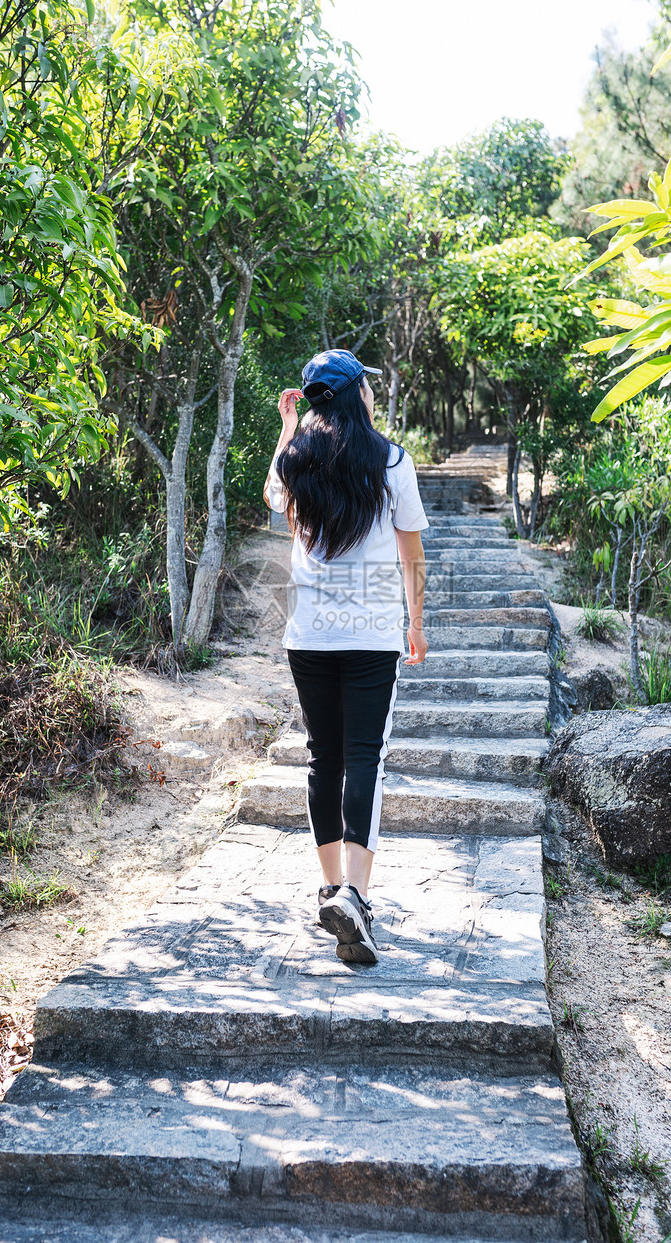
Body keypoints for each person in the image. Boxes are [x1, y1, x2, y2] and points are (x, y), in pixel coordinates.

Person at [263, 348, 429, 965]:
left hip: (308, 635)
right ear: (358, 393)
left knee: (322, 758)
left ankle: (333, 886)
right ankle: (355, 895)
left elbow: (275, 499)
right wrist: (417, 623)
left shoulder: (296, 460)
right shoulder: (391, 460)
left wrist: (287, 430)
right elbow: (410, 552)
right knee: (365, 758)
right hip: (371, 633)